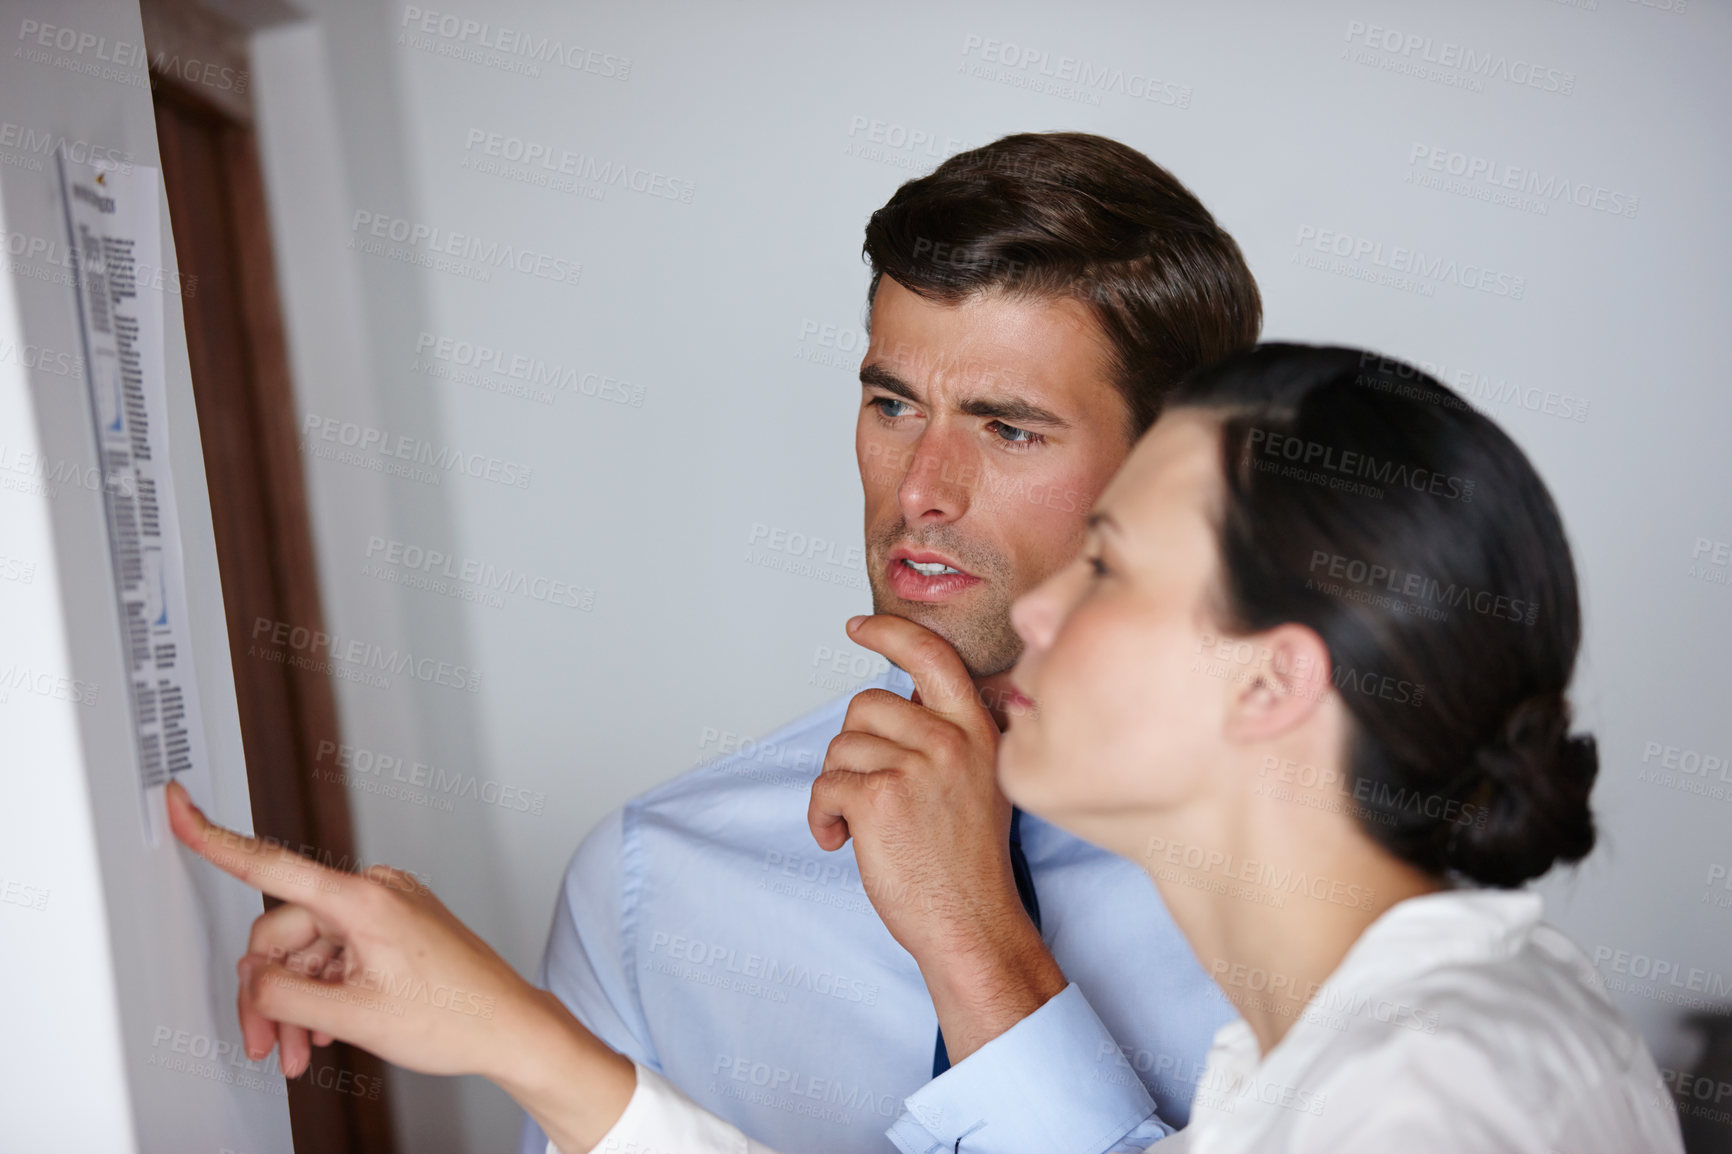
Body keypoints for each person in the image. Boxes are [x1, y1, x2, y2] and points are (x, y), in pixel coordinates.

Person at [168, 343, 1686, 1153]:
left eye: (1106, 565)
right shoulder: (1300, 1062)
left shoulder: (1443, 1094)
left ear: (1274, 683)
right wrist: (528, 1046)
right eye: (889, 400)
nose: (1035, 613)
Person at [513, 131, 1264, 1154]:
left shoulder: (1322, 887)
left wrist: (974, 934)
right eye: (892, 405)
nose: (920, 489)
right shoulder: (653, 878)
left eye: (1007, 428)